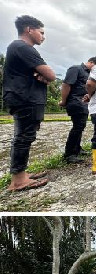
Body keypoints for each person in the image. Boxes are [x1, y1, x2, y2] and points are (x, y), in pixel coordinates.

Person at [3, 15, 56, 191]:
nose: (43, 36)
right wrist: (44, 76)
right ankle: (18, 180)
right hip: (25, 98)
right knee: (23, 137)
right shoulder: (23, 47)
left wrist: (43, 76)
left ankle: (21, 174)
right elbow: (51, 76)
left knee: (25, 136)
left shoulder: (18, 48)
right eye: (41, 32)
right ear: (29, 30)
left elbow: (46, 77)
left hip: (25, 97)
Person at [59, 57, 96, 164]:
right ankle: (69, 154)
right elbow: (66, 84)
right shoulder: (76, 69)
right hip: (75, 101)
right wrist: (63, 101)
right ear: (91, 62)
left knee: (81, 126)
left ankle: (77, 148)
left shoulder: (90, 74)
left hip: (84, 103)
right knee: (77, 127)